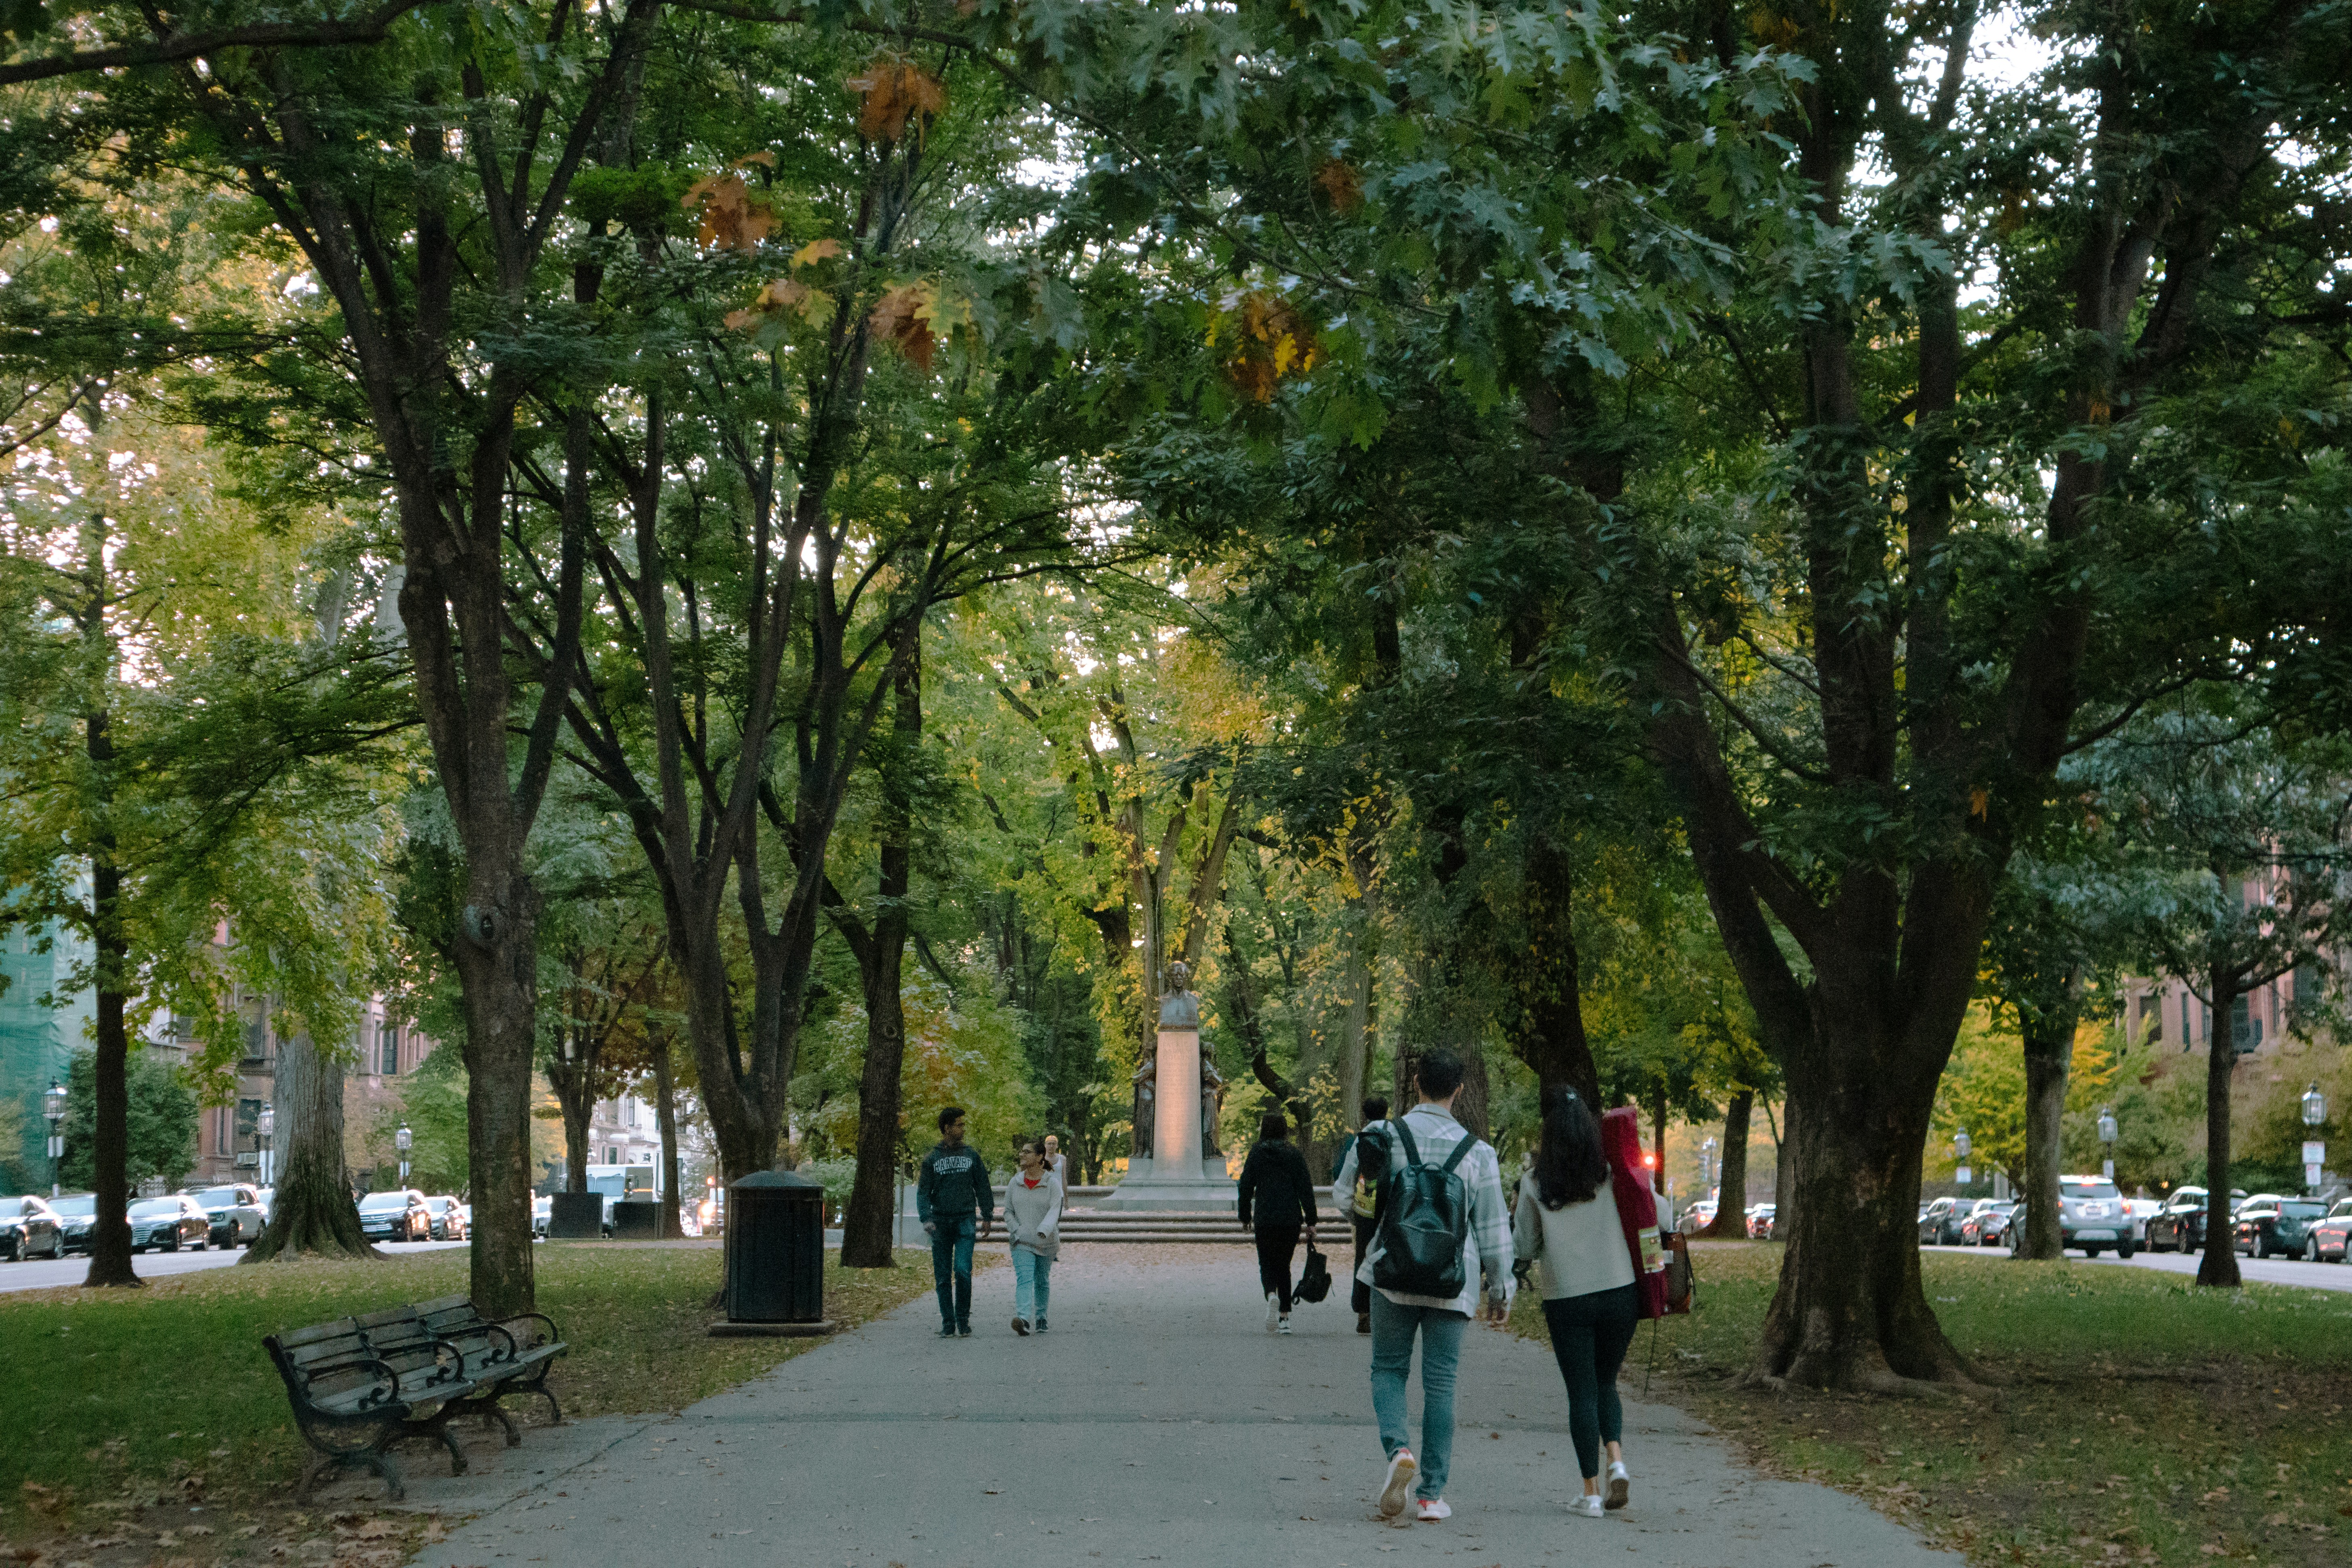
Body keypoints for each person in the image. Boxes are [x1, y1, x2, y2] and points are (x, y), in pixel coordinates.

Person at [1332, 1049, 1512, 1525]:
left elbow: (1345, 1196)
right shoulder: (1478, 1153)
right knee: (1441, 1384)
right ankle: (1432, 1496)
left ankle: (1399, 1450)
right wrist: (1500, 1289)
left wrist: (1375, 1217)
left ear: (1416, 1083)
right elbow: (1493, 1229)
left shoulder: (1382, 1136)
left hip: (1391, 1273)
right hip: (1453, 1281)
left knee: (1388, 1369)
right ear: (1459, 1089)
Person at [1513, 1090, 1639, 1517]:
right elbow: (1654, 1212)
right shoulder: (1609, 1174)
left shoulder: (1534, 1183)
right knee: (1606, 1382)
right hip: (1620, 1290)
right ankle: (1616, 1460)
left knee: (1581, 1391)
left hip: (1567, 1297)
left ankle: (1590, 1493)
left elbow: (1524, 1244)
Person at [1237, 1111, 1319, 1333]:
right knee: (1284, 1265)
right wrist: (1311, 1220)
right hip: (1290, 1217)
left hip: (1265, 1216)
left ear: (1264, 1129)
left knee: (1266, 1262)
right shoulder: (1294, 1154)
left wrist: (1245, 1215)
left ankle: (1271, 1294)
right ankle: (1284, 1318)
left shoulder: (1257, 1153)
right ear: (1284, 1130)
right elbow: (1306, 1188)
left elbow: (1246, 1185)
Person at [916, 1106, 993, 1338]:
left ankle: (963, 1320)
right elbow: (923, 1192)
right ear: (947, 1128)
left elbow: (983, 1185)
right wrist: (926, 1218)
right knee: (942, 1277)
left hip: (965, 1220)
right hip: (940, 1223)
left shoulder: (971, 1156)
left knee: (962, 1270)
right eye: (959, 1125)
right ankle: (948, 1323)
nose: (963, 1129)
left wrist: (987, 1215)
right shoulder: (932, 1158)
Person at [1329, 1095, 1390, 1335]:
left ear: (1365, 1115)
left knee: (1363, 1256)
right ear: (1386, 1112)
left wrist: (1354, 1215)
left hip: (1367, 1197)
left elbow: (1346, 1179)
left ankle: (1364, 1314)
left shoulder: (1362, 1139)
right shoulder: (1398, 1134)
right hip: (1394, 1200)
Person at [1003, 1137, 1062, 1335]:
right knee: (1025, 1278)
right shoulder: (1015, 1182)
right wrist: (1016, 1230)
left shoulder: (1052, 1184)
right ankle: (1023, 1319)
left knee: (1042, 1279)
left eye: (1027, 1152)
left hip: (1046, 1241)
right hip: (1022, 1240)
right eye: (1022, 1151)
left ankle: (1042, 1317)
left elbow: (1055, 1209)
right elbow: (1008, 1211)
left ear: (1039, 1157)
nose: (1022, 1154)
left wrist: (1044, 1229)